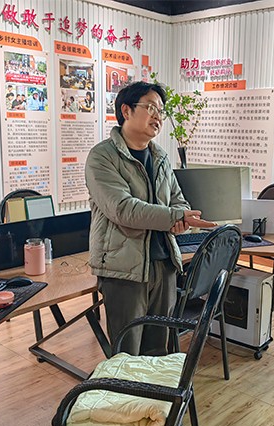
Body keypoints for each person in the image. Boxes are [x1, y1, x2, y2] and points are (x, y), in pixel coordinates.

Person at [85, 81, 215, 356]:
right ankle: (124, 387)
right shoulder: (102, 157)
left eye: (161, 111)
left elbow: (179, 201)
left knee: (158, 350)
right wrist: (174, 216)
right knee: (127, 353)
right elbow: (123, 209)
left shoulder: (161, 157)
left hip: (164, 264)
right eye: (151, 108)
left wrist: (180, 220)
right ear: (126, 111)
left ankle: (153, 386)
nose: (158, 117)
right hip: (124, 269)